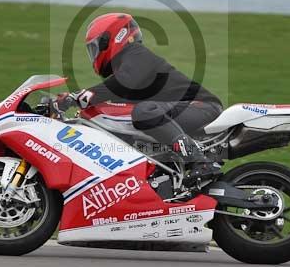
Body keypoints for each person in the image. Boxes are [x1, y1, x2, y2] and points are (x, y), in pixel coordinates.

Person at [56, 12, 223, 185]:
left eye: (96, 47)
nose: (94, 53)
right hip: (181, 109)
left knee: (144, 113)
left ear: (113, 38)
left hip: (202, 106)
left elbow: (122, 82)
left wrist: (79, 96)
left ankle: (200, 162)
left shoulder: (136, 54)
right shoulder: (126, 66)